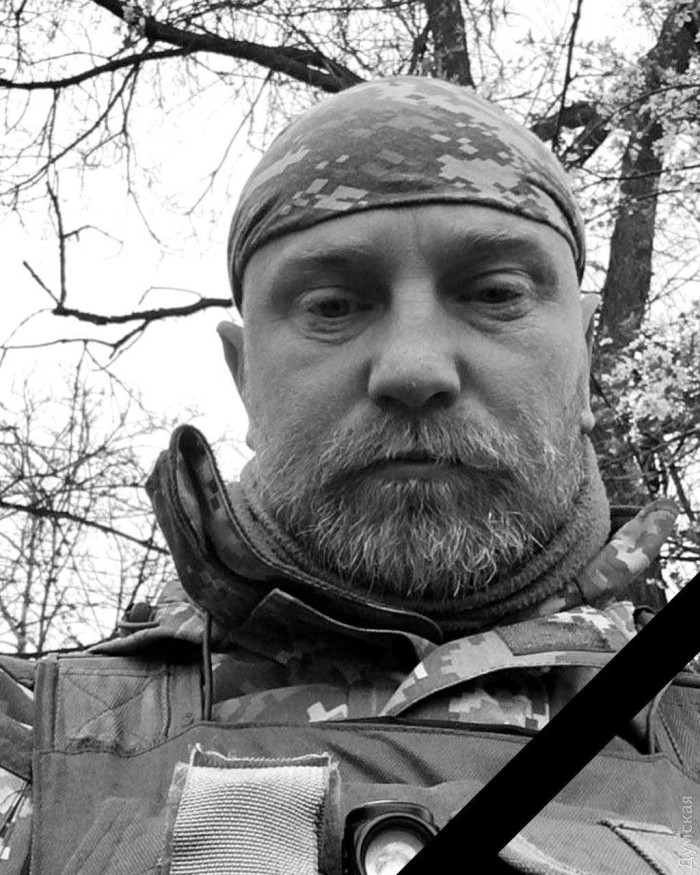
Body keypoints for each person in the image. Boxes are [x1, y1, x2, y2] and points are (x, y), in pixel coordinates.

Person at [0, 75, 693, 875]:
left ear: (585, 359)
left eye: (496, 293)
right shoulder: (27, 757)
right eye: (332, 306)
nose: (414, 367)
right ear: (243, 376)